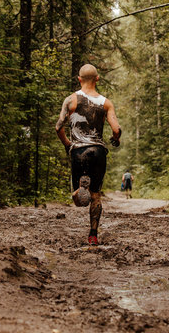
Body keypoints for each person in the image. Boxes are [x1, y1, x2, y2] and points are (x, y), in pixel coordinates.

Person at [55, 64, 121, 245]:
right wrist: (116, 138)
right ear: (97, 79)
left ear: (79, 79)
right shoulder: (106, 103)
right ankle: (93, 234)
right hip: (98, 152)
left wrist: (69, 145)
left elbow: (58, 127)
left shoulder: (70, 100)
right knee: (96, 195)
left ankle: (80, 189)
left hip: (78, 151)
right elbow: (116, 129)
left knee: (78, 198)